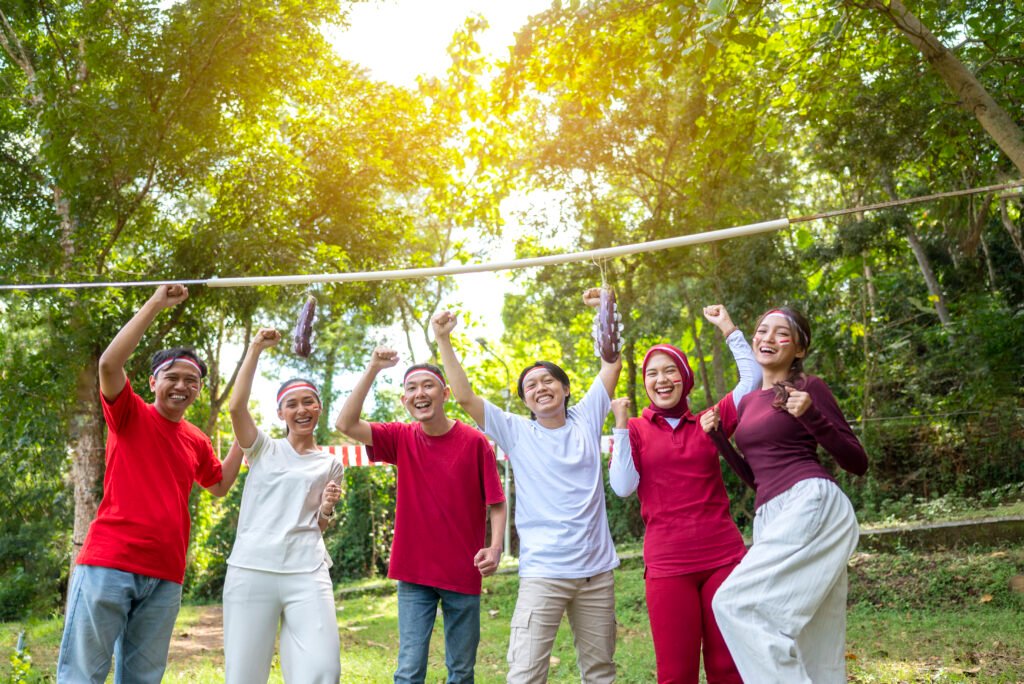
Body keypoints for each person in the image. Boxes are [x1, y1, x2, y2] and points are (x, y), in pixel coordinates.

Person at [57, 284, 243, 684]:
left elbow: (219, 485)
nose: (182, 386)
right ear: (153, 382)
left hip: (165, 575)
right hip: (109, 563)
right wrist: (157, 303)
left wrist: (246, 439)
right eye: (172, 377)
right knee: (82, 675)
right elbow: (109, 364)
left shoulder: (196, 439)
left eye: (192, 380)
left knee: (142, 678)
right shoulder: (130, 413)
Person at [434, 288, 621, 684]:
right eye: (531, 385)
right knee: (525, 674)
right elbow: (464, 397)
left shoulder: (587, 417)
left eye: (548, 380)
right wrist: (443, 340)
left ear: (566, 389)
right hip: (543, 573)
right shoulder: (517, 432)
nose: (540, 387)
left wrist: (605, 307)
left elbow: (611, 363)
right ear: (525, 401)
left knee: (601, 672)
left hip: (596, 574)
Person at [703, 306, 869, 684]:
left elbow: (857, 462)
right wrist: (719, 440)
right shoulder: (748, 402)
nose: (767, 338)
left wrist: (812, 417)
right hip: (771, 512)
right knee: (812, 638)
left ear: (799, 349)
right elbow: (758, 479)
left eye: (781, 333)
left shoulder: (810, 387)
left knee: (735, 604)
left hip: (811, 502)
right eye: (762, 330)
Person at [334, 345, 506, 684]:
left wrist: (495, 547)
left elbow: (496, 502)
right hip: (414, 573)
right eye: (411, 388)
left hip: (463, 571)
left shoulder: (474, 442)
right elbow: (345, 423)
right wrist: (373, 368)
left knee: (462, 671)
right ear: (404, 400)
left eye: (428, 386)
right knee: (409, 671)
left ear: (445, 393)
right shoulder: (400, 437)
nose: (419, 393)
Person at [608, 304, 760, 684]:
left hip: (723, 557)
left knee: (728, 667)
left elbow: (753, 378)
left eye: (670, 370)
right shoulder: (636, 430)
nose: (661, 379)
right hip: (668, 565)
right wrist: (620, 426)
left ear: (685, 377)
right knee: (676, 673)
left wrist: (728, 327)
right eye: (652, 373)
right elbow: (623, 487)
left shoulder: (709, 420)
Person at [223, 327, 344, 684]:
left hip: (307, 571)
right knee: (244, 676)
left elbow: (319, 525)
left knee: (323, 670)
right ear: (280, 413)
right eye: (292, 404)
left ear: (319, 408)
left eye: (308, 402)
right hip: (251, 569)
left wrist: (326, 508)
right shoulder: (263, 448)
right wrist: (256, 348)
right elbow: (236, 406)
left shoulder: (331, 464)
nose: (301, 410)